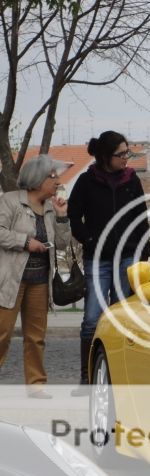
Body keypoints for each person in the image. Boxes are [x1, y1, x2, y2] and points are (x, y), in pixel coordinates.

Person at [68, 131, 150, 394]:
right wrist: (89, 240)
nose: (126, 158)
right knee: (92, 319)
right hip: (98, 259)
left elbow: (142, 218)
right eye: (121, 154)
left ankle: (116, 377)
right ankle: (87, 378)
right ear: (106, 156)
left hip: (127, 258)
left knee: (120, 320)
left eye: (128, 152)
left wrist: (143, 255)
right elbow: (73, 216)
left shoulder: (132, 181)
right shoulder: (85, 182)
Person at [0, 155, 71, 398]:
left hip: (40, 281)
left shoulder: (51, 207)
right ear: (37, 179)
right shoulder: (10, 202)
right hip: (10, 280)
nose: (58, 182)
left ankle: (36, 385)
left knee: (36, 337)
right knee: (2, 334)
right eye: (54, 177)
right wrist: (25, 242)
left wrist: (62, 217)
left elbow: (61, 244)